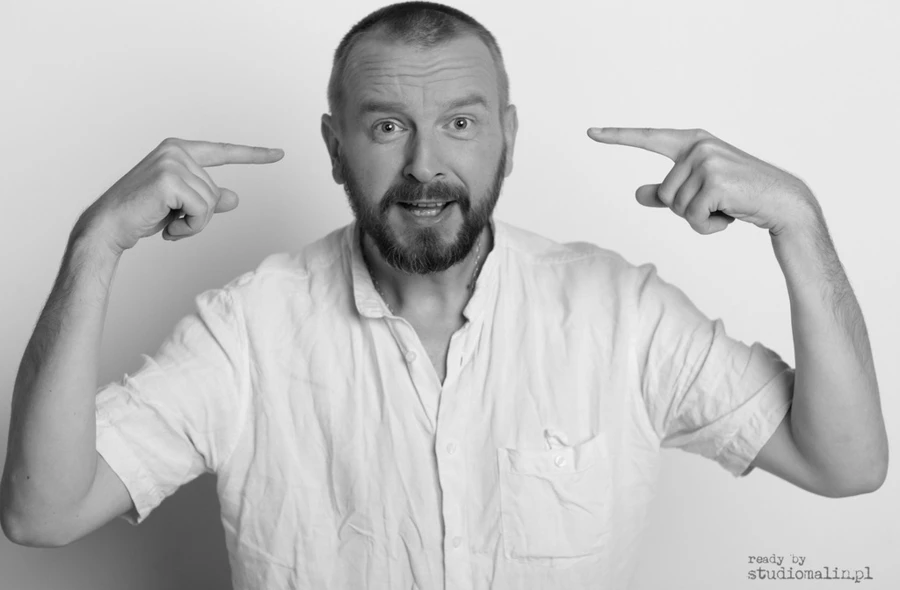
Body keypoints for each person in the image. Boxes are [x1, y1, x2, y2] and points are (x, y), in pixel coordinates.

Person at [0, 1, 887, 589]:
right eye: (389, 126)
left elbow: (845, 464)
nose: (426, 164)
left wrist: (799, 224)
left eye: (460, 123)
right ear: (336, 148)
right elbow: (41, 513)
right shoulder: (246, 333)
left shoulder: (624, 316)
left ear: (507, 138)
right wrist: (95, 245)